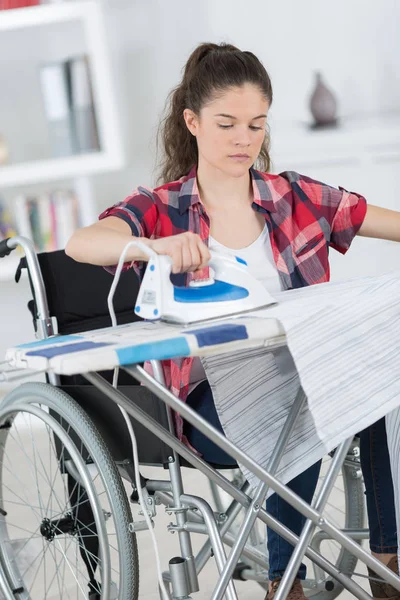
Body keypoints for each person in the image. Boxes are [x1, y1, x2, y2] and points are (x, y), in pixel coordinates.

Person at [66, 42, 400, 600]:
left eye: (256, 124)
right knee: (293, 395)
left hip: (306, 378)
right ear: (192, 121)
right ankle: (284, 579)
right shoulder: (162, 207)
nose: (244, 139)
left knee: (382, 378)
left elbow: (382, 220)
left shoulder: (293, 197)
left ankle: (388, 560)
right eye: (227, 124)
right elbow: (82, 244)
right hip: (205, 404)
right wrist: (155, 247)